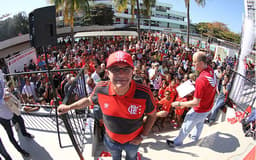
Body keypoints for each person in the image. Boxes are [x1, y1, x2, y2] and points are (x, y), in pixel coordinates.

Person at [58, 51, 156, 160]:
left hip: (133, 142)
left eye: (126, 69)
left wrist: (142, 136)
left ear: (132, 72)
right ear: (107, 73)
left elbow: (152, 115)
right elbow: (89, 100)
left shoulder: (144, 93)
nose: (121, 74)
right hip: (111, 141)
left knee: (131, 158)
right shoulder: (100, 88)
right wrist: (69, 107)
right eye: (115, 69)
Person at [166, 51, 217, 147]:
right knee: (200, 123)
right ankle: (194, 138)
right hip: (208, 106)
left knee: (187, 122)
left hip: (199, 109)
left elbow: (196, 102)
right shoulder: (211, 71)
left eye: (194, 62)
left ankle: (177, 142)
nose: (192, 64)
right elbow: (209, 86)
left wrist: (179, 104)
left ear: (201, 63)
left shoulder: (201, 80)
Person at [0, 69, 30, 157]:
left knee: (21, 120)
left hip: (10, 108)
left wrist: (6, 90)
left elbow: (3, 84)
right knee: (11, 135)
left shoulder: (0, 72)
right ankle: (21, 151)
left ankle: (24, 133)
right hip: (3, 115)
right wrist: (2, 100)